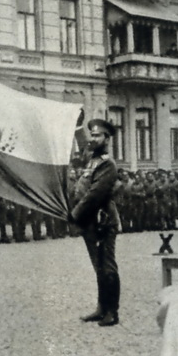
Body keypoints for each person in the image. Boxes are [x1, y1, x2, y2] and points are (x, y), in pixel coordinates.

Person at [69, 119, 120, 327]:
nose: (94, 139)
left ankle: (112, 312)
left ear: (107, 139)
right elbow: (82, 147)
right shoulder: (92, 160)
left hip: (103, 221)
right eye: (93, 135)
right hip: (91, 221)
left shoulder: (107, 164)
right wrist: (79, 127)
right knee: (98, 266)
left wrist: (74, 214)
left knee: (107, 267)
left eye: (98, 136)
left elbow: (94, 194)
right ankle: (101, 307)